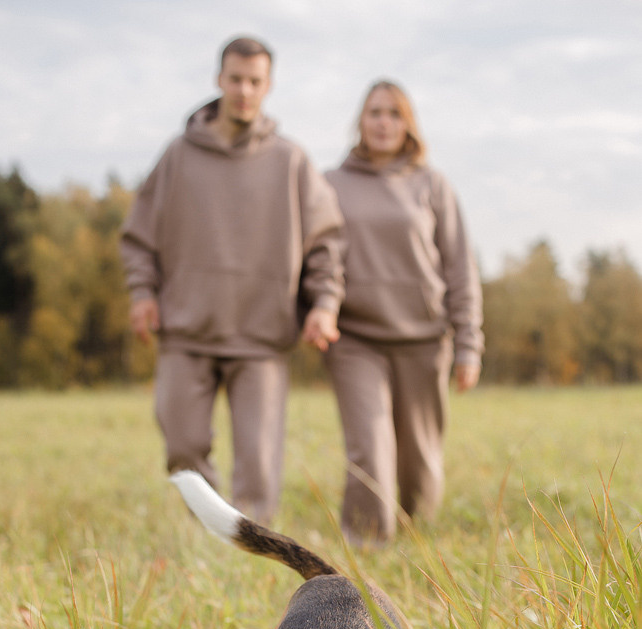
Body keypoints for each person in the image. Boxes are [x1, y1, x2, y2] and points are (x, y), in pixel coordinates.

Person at [120, 37, 343, 523]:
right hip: (186, 328)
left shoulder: (292, 161)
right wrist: (142, 292)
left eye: (255, 81)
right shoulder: (178, 155)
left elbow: (325, 244)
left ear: (269, 86)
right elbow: (139, 236)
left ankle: (250, 553)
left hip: (261, 334)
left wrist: (324, 304)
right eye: (236, 79)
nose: (244, 90)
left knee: (258, 465)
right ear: (219, 80)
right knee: (182, 446)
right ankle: (207, 540)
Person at [315, 80, 483, 543]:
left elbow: (459, 267)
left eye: (393, 113)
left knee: (420, 461)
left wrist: (469, 344)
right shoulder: (331, 184)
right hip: (355, 339)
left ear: (407, 123)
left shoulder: (432, 184)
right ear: (361, 122)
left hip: (425, 340)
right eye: (374, 112)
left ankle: (418, 543)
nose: (383, 122)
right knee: (370, 450)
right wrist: (319, 309)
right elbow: (320, 258)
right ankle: (367, 550)